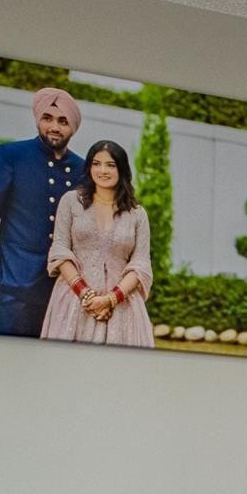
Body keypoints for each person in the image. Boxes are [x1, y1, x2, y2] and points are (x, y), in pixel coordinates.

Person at [0, 88, 86, 338]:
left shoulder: (82, 169)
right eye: (48, 118)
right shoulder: (10, 156)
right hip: (14, 289)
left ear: (73, 126)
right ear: (38, 120)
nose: (54, 126)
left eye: (63, 121)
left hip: (61, 292)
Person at [39, 139, 155, 348]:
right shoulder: (71, 202)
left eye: (110, 165)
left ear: (122, 169)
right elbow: (60, 249)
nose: (103, 170)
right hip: (73, 301)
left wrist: (111, 299)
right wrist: (85, 293)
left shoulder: (137, 214)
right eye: (96, 163)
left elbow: (140, 265)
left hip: (123, 308)